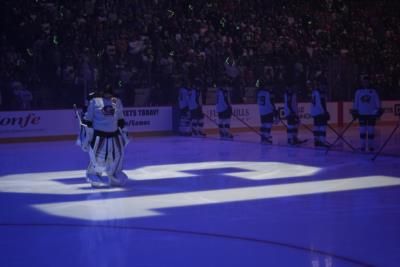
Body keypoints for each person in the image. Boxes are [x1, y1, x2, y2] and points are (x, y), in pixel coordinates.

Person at [81, 85, 129, 188]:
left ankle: (115, 174)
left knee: (117, 156)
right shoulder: (94, 102)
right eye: (106, 92)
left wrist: (125, 133)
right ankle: (94, 175)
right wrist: (86, 136)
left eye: (109, 92)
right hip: (99, 136)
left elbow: (120, 119)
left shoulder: (117, 101)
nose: (108, 95)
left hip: (115, 136)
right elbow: (88, 120)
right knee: (98, 159)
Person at [352, 75, 382, 152]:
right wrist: (355, 111)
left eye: (367, 82)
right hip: (362, 114)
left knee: (371, 130)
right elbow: (356, 102)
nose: (366, 83)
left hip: (371, 114)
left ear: (369, 82)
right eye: (364, 82)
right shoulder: (358, 92)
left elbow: (377, 102)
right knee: (362, 130)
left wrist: (378, 110)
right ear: (362, 83)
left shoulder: (373, 91)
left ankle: (371, 145)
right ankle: (362, 145)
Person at [310, 79, 331, 147]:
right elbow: (322, 103)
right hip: (320, 112)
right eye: (324, 85)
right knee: (322, 126)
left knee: (316, 126)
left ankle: (316, 141)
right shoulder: (321, 92)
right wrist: (325, 112)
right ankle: (322, 141)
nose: (324, 87)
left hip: (314, 112)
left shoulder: (314, 92)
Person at [256, 78, 277, 144]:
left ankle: (263, 137)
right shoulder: (268, 93)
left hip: (262, 111)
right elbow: (272, 102)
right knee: (268, 125)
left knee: (263, 125)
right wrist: (274, 111)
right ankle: (266, 138)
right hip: (268, 111)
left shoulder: (259, 93)